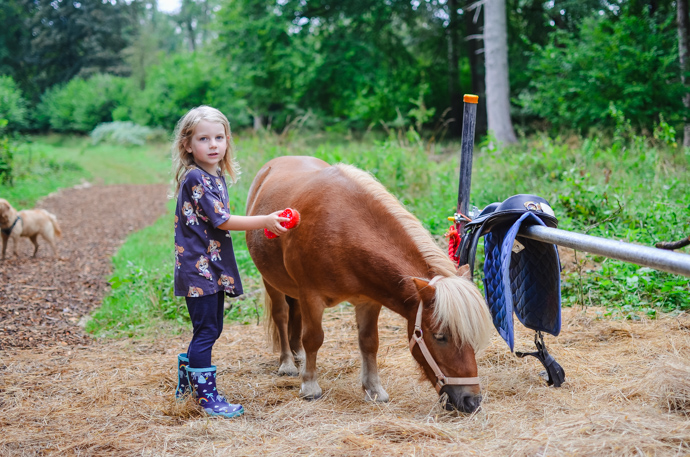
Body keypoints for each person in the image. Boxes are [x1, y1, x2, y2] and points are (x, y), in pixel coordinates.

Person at [171, 106, 289, 418]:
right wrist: (265, 219)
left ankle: (188, 372)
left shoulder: (215, 175)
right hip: (199, 269)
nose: (213, 144)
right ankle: (206, 399)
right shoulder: (196, 178)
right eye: (203, 138)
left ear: (227, 141)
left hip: (209, 266)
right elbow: (222, 221)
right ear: (187, 144)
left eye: (219, 137)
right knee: (208, 330)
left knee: (210, 327)